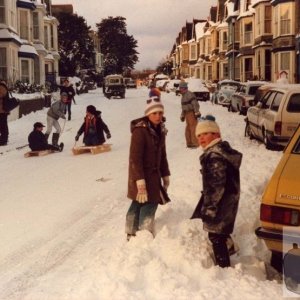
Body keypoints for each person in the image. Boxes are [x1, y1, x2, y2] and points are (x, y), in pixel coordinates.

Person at [192, 115, 242, 268]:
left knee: (215, 235)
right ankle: (230, 247)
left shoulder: (214, 156)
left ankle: (224, 267)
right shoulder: (222, 151)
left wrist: (210, 208)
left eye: (205, 133)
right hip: (229, 199)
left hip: (221, 202)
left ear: (216, 134)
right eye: (199, 135)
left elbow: (216, 185)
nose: (201, 138)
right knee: (221, 231)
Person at [125, 96, 171, 240]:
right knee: (148, 202)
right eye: (154, 113)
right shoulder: (140, 131)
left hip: (154, 175)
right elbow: (135, 158)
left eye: (160, 113)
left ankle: (133, 232)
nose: (158, 116)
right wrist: (140, 181)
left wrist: (165, 174)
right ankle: (141, 233)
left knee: (141, 201)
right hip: (141, 175)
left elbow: (162, 154)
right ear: (147, 114)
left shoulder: (160, 130)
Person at [179, 81, 201, 148]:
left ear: (184, 88)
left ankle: (195, 143)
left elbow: (195, 104)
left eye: (181, 88)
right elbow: (183, 107)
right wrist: (182, 115)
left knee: (193, 128)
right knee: (188, 128)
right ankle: (190, 143)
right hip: (187, 114)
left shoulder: (189, 94)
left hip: (192, 112)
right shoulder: (183, 96)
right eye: (180, 88)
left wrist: (196, 112)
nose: (180, 89)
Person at [0, 81, 9, 146]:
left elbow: (1, 95)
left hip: (2, 111)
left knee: (3, 126)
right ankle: (3, 139)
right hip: (2, 110)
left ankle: (4, 140)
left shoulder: (1, 86)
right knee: (2, 125)